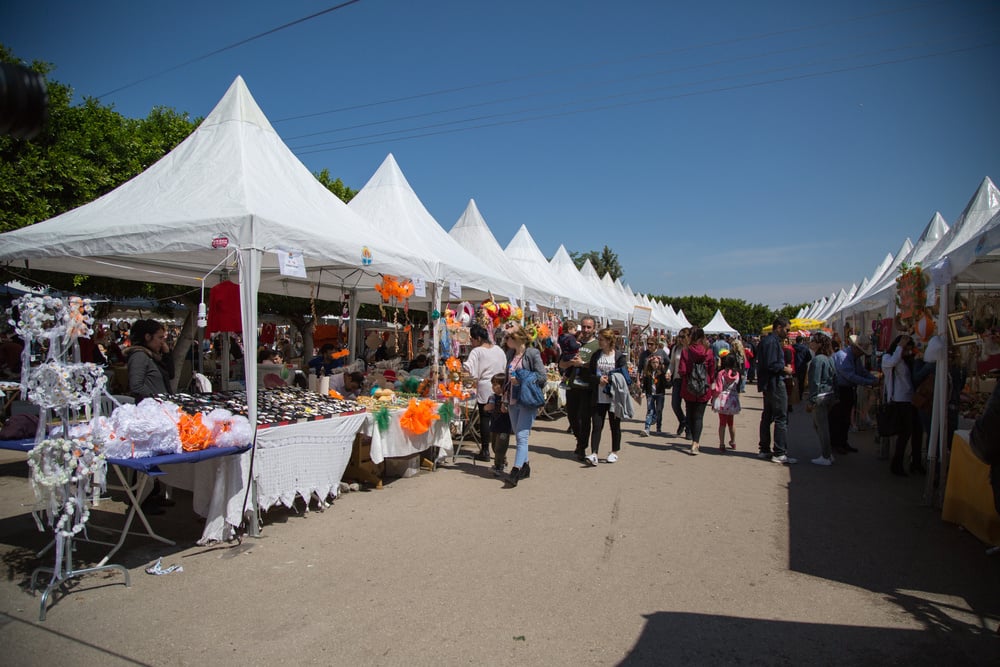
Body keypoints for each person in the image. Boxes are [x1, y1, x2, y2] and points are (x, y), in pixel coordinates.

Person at [503, 326, 546, 487]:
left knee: (522, 436)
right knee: (518, 433)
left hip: (527, 399)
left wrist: (521, 379)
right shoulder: (510, 354)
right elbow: (506, 377)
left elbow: (542, 377)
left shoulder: (532, 353)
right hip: (512, 399)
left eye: (509, 338)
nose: (506, 341)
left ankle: (515, 471)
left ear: (518, 339)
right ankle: (525, 466)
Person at [584, 327, 631, 465]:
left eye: (602, 340)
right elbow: (589, 375)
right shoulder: (596, 356)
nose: (599, 342)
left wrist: (610, 379)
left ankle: (614, 451)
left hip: (614, 397)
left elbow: (623, 376)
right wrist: (598, 380)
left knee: (615, 425)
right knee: (597, 425)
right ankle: (594, 453)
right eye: (599, 339)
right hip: (598, 396)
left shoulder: (618, 357)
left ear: (609, 341)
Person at [463, 324, 508, 461]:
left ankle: (485, 450)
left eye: (472, 339)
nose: (471, 342)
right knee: (498, 419)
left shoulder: (477, 351)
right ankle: (499, 452)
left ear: (478, 338)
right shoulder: (499, 350)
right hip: (500, 386)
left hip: (485, 387)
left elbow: (468, 368)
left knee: (485, 418)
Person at [830, 334, 879, 456]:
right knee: (838, 418)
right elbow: (850, 376)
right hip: (839, 390)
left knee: (846, 418)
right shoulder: (843, 357)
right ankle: (836, 444)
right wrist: (870, 381)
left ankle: (843, 442)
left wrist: (872, 378)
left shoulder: (854, 358)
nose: (862, 354)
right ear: (856, 348)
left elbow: (861, 371)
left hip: (848, 389)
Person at [881, 334, 924, 476]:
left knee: (916, 432)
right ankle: (897, 464)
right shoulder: (888, 359)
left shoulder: (906, 360)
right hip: (899, 400)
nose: (908, 352)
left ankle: (916, 462)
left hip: (910, 399)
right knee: (904, 433)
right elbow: (893, 361)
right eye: (906, 349)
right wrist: (900, 346)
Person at [560, 316, 599, 461]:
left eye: (589, 327)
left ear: (594, 329)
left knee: (584, 418)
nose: (586, 330)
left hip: (587, 387)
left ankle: (582, 447)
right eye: (583, 327)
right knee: (572, 417)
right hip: (572, 385)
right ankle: (579, 440)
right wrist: (572, 362)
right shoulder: (572, 342)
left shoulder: (597, 345)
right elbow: (562, 364)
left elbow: (598, 366)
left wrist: (583, 364)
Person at [757, 317, 795, 464]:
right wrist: (785, 369)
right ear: (778, 327)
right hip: (774, 383)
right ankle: (779, 452)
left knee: (768, 416)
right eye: (787, 329)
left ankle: (765, 449)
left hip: (768, 383)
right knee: (780, 417)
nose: (787, 333)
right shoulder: (772, 342)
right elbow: (772, 364)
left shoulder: (767, 341)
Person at [678, 327, 715, 455]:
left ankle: (693, 439)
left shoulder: (686, 351)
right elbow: (711, 370)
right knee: (699, 417)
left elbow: (682, 370)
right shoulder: (708, 352)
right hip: (704, 388)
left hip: (689, 387)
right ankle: (695, 442)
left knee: (690, 415)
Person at [806, 332, 837, 466]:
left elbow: (815, 381)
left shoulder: (818, 360)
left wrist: (811, 400)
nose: (810, 343)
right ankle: (828, 454)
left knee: (821, 426)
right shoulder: (828, 358)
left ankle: (826, 455)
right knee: (821, 425)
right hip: (828, 394)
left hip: (820, 396)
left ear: (818, 344)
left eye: (813, 341)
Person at [126, 318, 173, 400]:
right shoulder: (139, 356)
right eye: (160, 338)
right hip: (153, 407)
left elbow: (170, 374)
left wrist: (167, 354)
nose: (162, 342)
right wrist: (156, 399)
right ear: (148, 337)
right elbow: (136, 386)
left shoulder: (152, 356)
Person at [484, 373, 512, 478]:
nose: (493, 387)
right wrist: (486, 407)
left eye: (496, 385)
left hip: (505, 426)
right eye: (492, 384)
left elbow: (507, 410)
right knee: (494, 446)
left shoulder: (508, 397)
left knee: (501, 446)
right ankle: (503, 461)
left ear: (503, 385)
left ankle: (498, 466)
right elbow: (488, 406)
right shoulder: (492, 396)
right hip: (495, 425)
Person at [712, 352, 740, 451]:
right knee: (731, 422)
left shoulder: (721, 373)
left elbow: (718, 389)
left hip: (722, 399)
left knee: (722, 422)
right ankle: (733, 441)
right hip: (732, 399)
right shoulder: (736, 374)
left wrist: (713, 397)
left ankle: (722, 443)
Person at [668, 328, 690, 438]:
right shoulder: (676, 348)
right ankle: (683, 421)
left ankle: (689, 429)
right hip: (677, 379)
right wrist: (669, 372)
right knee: (675, 404)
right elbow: (672, 363)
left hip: (688, 380)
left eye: (683, 337)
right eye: (679, 337)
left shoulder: (691, 349)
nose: (680, 339)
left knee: (688, 406)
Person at [639, 354, 668, 437]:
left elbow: (667, 385)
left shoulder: (662, 373)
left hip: (660, 394)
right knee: (650, 411)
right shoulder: (648, 373)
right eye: (653, 362)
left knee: (659, 410)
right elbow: (645, 384)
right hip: (650, 394)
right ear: (650, 363)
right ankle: (647, 428)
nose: (655, 364)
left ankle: (658, 428)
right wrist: (644, 392)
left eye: (657, 362)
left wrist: (666, 378)